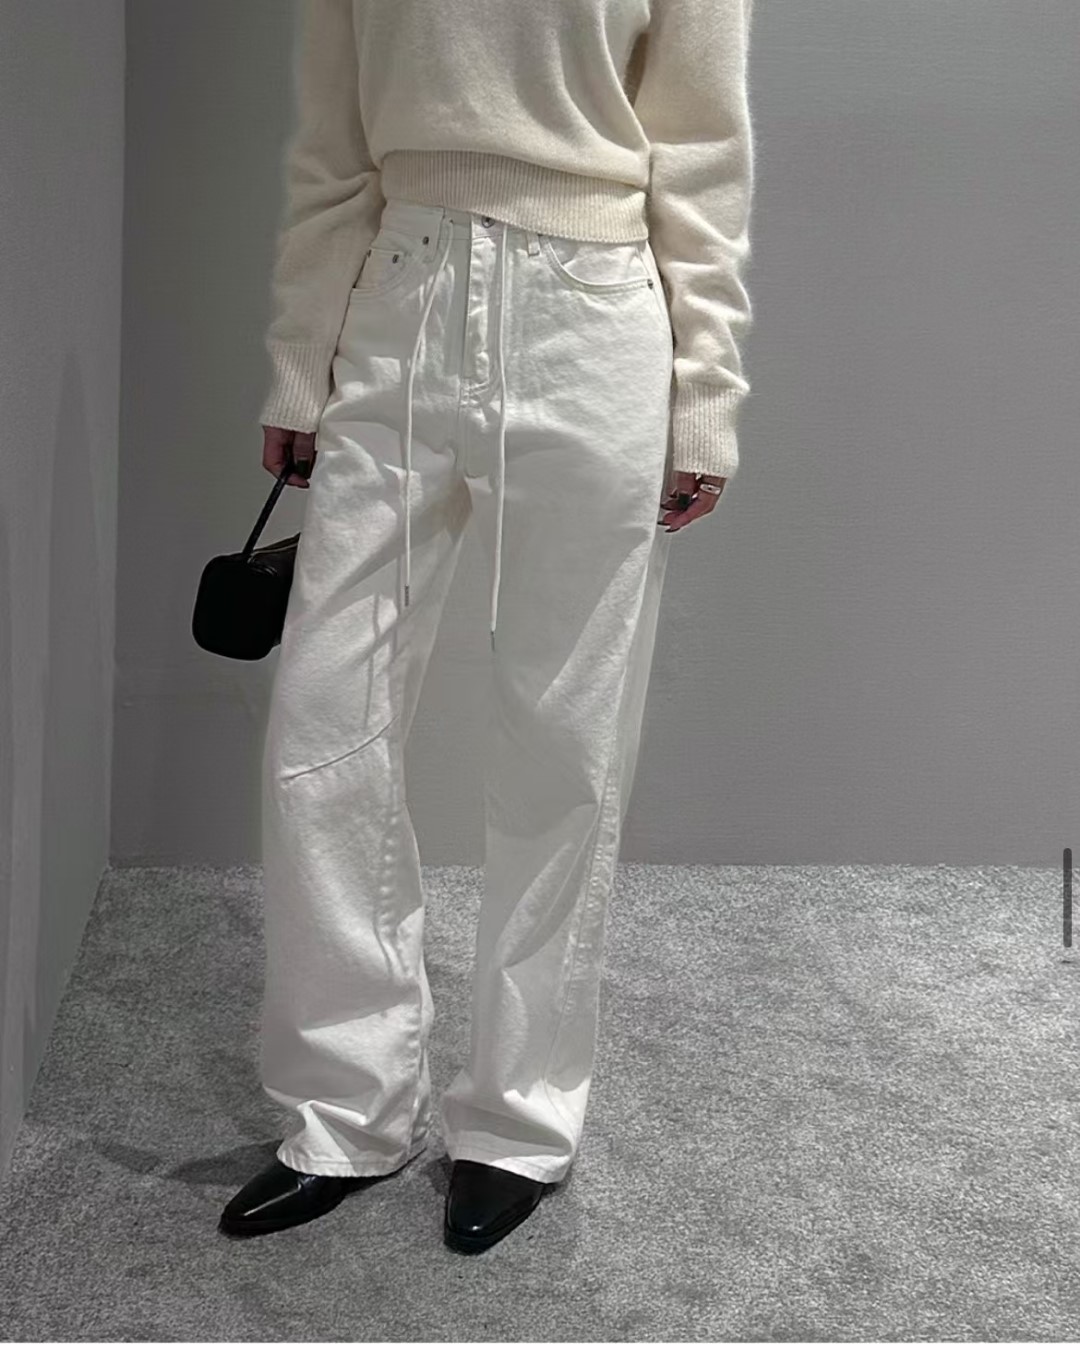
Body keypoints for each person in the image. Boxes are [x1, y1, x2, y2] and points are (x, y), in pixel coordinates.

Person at [219, 0, 755, 1252]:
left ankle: (518, 1120)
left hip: (595, 318)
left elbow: (702, 152)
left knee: (563, 744)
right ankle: (347, 1108)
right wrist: (302, 357)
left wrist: (705, 393)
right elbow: (332, 147)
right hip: (399, 299)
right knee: (325, 726)